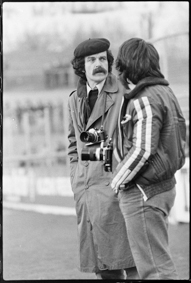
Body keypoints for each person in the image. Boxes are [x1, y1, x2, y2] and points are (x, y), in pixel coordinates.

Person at [111, 37, 187, 279]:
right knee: (159, 263)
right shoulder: (165, 90)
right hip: (163, 187)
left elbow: (143, 150)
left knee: (154, 270)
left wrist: (117, 182)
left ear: (127, 66)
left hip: (144, 192)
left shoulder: (143, 98)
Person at [67, 38, 138, 279]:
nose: (99, 64)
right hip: (87, 191)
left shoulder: (124, 94)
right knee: (104, 269)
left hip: (117, 189)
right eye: (91, 60)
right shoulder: (73, 99)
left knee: (132, 263)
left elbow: (133, 141)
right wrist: (76, 178)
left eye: (102, 59)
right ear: (81, 66)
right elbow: (73, 144)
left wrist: (118, 176)